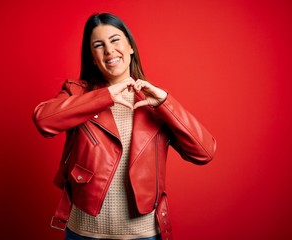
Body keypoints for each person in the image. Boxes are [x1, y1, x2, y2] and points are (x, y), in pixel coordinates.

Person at [33, 13, 216, 240]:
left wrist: (167, 104)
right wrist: (104, 96)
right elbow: (43, 120)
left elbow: (204, 152)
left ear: (130, 46)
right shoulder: (77, 93)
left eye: (115, 40)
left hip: (143, 235)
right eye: (99, 45)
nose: (109, 50)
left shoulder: (154, 102)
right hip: (84, 233)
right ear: (92, 57)